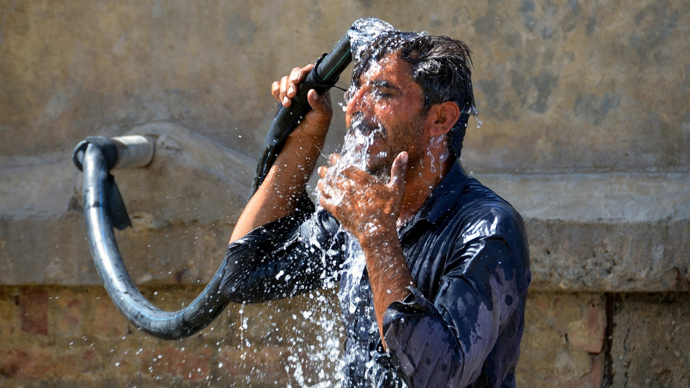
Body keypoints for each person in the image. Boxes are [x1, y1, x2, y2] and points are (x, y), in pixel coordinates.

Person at [221, 30, 531, 388]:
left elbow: (436, 376)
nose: (355, 108)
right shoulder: (361, 210)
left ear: (440, 119)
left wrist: (376, 235)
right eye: (355, 91)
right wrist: (305, 139)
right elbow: (243, 275)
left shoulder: (487, 228)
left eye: (382, 93)